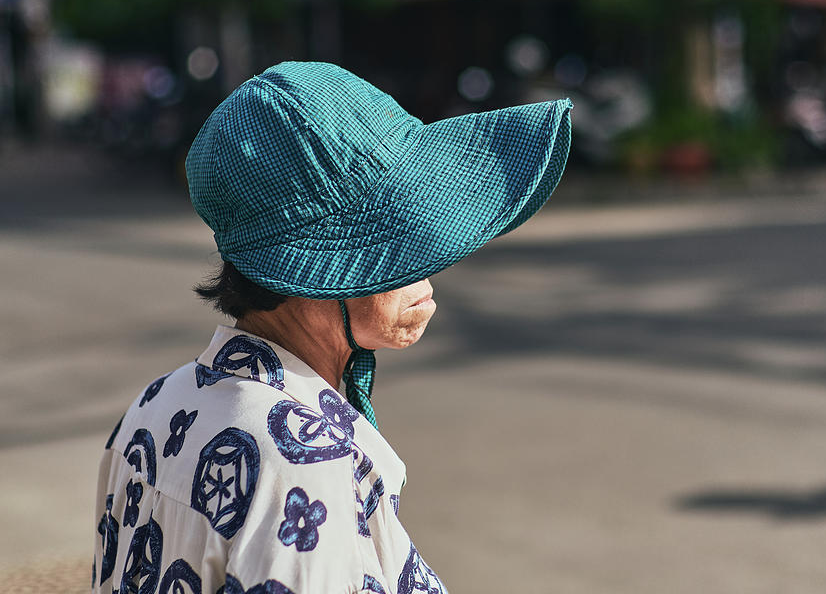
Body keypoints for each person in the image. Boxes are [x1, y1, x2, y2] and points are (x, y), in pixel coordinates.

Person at [93, 61, 571, 594]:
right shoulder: (305, 463)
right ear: (318, 271)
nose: (431, 264)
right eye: (399, 235)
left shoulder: (152, 407)